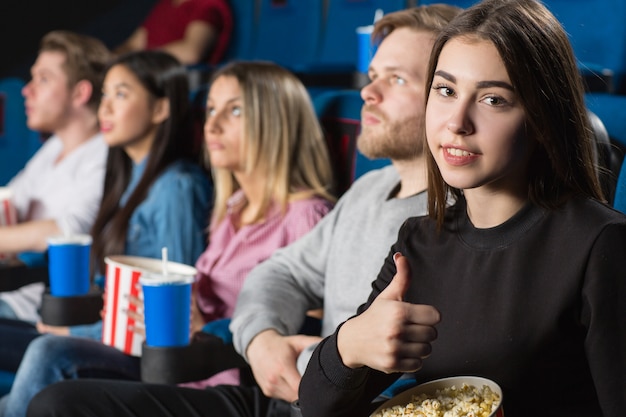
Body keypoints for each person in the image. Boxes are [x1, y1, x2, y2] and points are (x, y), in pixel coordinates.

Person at [19, 5, 461, 417]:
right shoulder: (367, 189)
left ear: (445, 95)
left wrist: (295, 353)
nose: (367, 92)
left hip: (334, 400)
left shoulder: (459, 214)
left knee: (52, 365)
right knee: (59, 401)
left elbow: (411, 371)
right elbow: (277, 273)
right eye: (372, 75)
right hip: (282, 392)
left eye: (397, 79)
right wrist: (262, 339)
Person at [297, 1, 626, 416]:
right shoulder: (419, 241)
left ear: (543, 118)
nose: (456, 122)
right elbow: (316, 406)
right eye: (446, 90)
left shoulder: (601, 245)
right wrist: (350, 344)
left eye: (493, 99)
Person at [5, 59, 335, 417]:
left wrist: (206, 330)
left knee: (49, 358)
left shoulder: (307, 216)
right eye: (210, 109)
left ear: (275, 121)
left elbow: (309, 328)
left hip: (215, 375)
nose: (213, 123)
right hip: (175, 361)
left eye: (235, 110)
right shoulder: (235, 206)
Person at [0, 49, 213, 417]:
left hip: (142, 357)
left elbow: (170, 311)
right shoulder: (128, 179)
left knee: (48, 351)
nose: (106, 108)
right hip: (100, 332)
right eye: (106, 94)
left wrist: (75, 334)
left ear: (161, 109)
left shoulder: (176, 186)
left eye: (121, 94)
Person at [0, 31, 110, 322]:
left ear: (79, 93)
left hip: (38, 310)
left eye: (43, 79)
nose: (27, 90)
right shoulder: (54, 146)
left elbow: (69, 230)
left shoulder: (105, 154)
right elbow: (9, 202)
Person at [114, 0, 232, 66]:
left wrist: (142, 59)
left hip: (173, 85)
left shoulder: (208, 5)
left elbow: (191, 53)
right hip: (145, 75)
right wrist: (112, 59)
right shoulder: (164, 6)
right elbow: (133, 44)